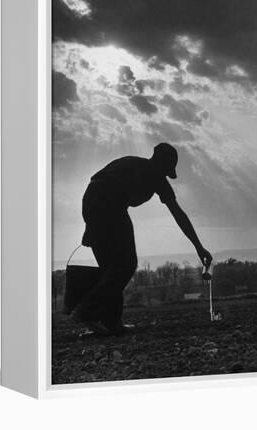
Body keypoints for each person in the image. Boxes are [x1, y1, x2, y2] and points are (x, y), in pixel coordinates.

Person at [71, 143, 212, 335]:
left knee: (111, 269)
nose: (165, 175)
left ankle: (112, 323)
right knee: (126, 264)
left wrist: (199, 247)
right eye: (166, 169)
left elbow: (178, 214)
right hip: (105, 205)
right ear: (159, 162)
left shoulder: (154, 177)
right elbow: (101, 186)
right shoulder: (138, 168)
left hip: (96, 204)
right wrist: (92, 223)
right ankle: (86, 311)